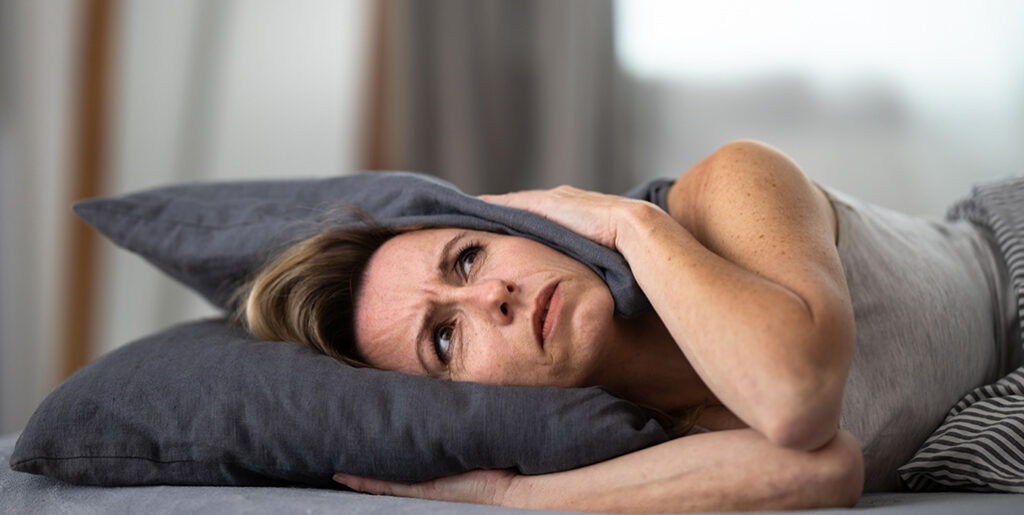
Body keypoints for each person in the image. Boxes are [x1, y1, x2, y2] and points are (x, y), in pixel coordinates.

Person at [236, 140, 1020, 512]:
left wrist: (630, 223)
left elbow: (796, 399)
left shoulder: (725, 191)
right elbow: (823, 470)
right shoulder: (624, 439)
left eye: (468, 258)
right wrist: (509, 494)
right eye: (445, 337)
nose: (493, 297)